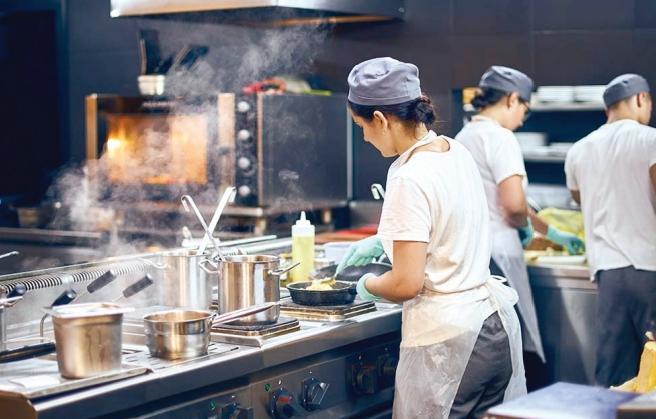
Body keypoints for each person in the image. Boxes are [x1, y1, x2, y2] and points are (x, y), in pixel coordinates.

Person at [338, 57, 526, 419]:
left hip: (451, 345)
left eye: (361, 126)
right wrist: (385, 241)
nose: (364, 136)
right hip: (493, 326)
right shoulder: (454, 150)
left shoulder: (409, 175)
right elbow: (447, 226)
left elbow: (407, 283)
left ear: (380, 119)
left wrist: (367, 285)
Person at [454, 66, 585, 366]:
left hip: (472, 250)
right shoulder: (501, 138)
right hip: (500, 251)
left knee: (487, 340)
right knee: (515, 339)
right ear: (512, 99)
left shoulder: (463, 136)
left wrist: (548, 231)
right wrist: (523, 228)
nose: (524, 117)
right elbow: (513, 206)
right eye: (525, 108)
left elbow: (502, 199)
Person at [565, 73, 656, 387]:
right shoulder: (650, 139)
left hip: (608, 272)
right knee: (653, 366)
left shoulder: (579, 149)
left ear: (608, 109)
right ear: (641, 99)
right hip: (650, 268)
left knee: (615, 372)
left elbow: (579, 198)